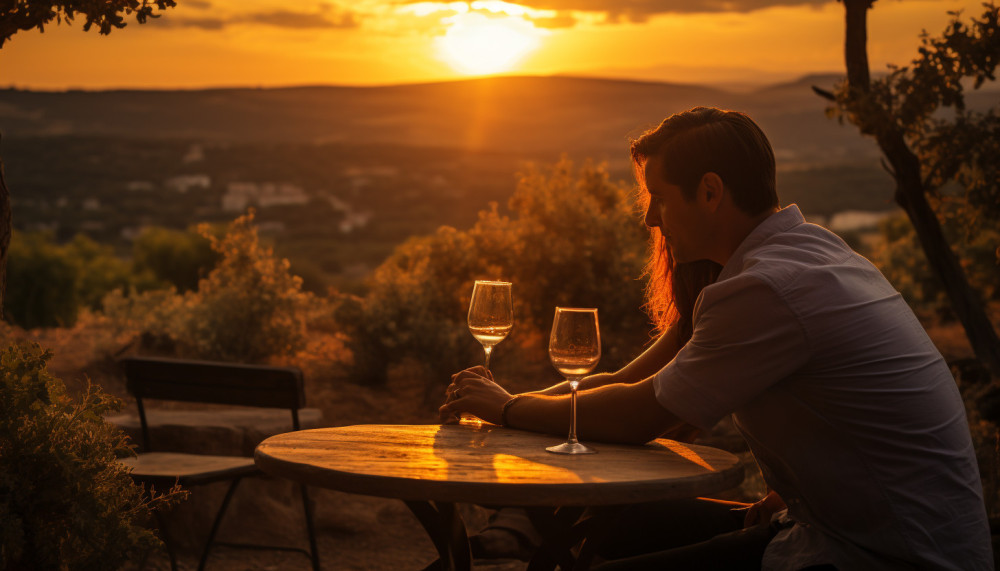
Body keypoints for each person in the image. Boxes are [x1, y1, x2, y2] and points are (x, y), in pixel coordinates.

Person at [439, 107, 994, 569]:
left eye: (658, 197)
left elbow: (645, 414)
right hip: (849, 529)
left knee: (611, 546)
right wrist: (507, 404)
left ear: (710, 192)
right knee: (620, 526)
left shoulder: (767, 287)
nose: (651, 219)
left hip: (887, 557)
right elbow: (624, 384)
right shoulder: (810, 253)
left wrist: (510, 407)